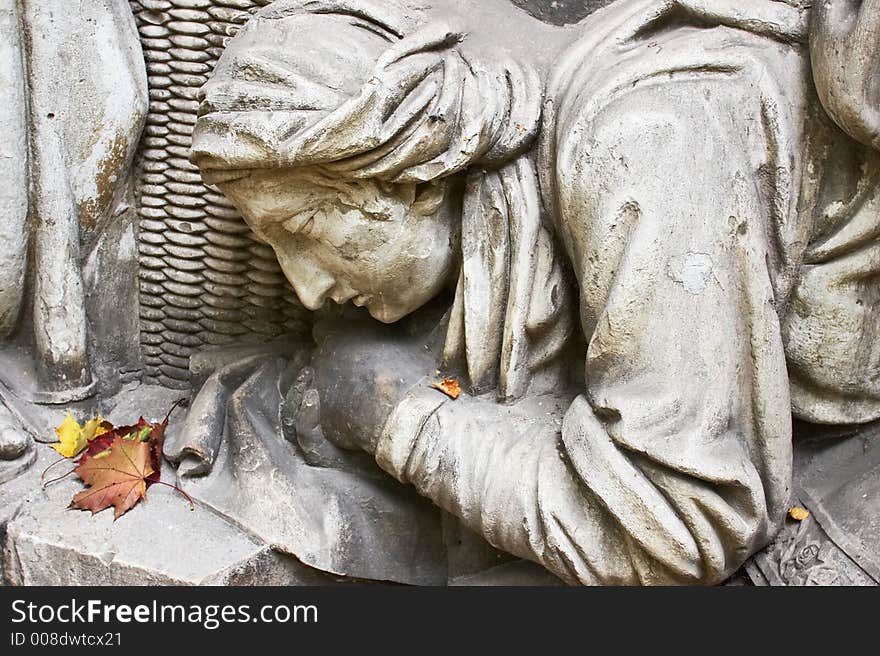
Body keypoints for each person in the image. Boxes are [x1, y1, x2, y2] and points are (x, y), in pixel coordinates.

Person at [189, 0, 879, 584]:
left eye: (303, 228)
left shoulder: (645, 145)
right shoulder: (467, 72)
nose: (305, 288)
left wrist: (396, 419)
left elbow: (676, 524)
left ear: (421, 179)